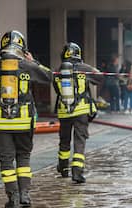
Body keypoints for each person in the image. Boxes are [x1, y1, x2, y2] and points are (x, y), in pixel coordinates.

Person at [0, 30, 52, 208]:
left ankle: (13, 198)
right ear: (22, 48)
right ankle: (25, 195)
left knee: (6, 161)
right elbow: (49, 77)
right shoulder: (27, 66)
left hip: (1, 123)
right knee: (23, 157)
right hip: (24, 122)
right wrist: (33, 62)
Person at [53, 42, 102, 183]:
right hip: (81, 111)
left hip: (64, 111)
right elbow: (100, 78)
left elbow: (57, 91)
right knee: (80, 140)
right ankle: (77, 171)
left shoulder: (58, 70)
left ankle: (63, 167)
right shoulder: (85, 69)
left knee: (64, 140)